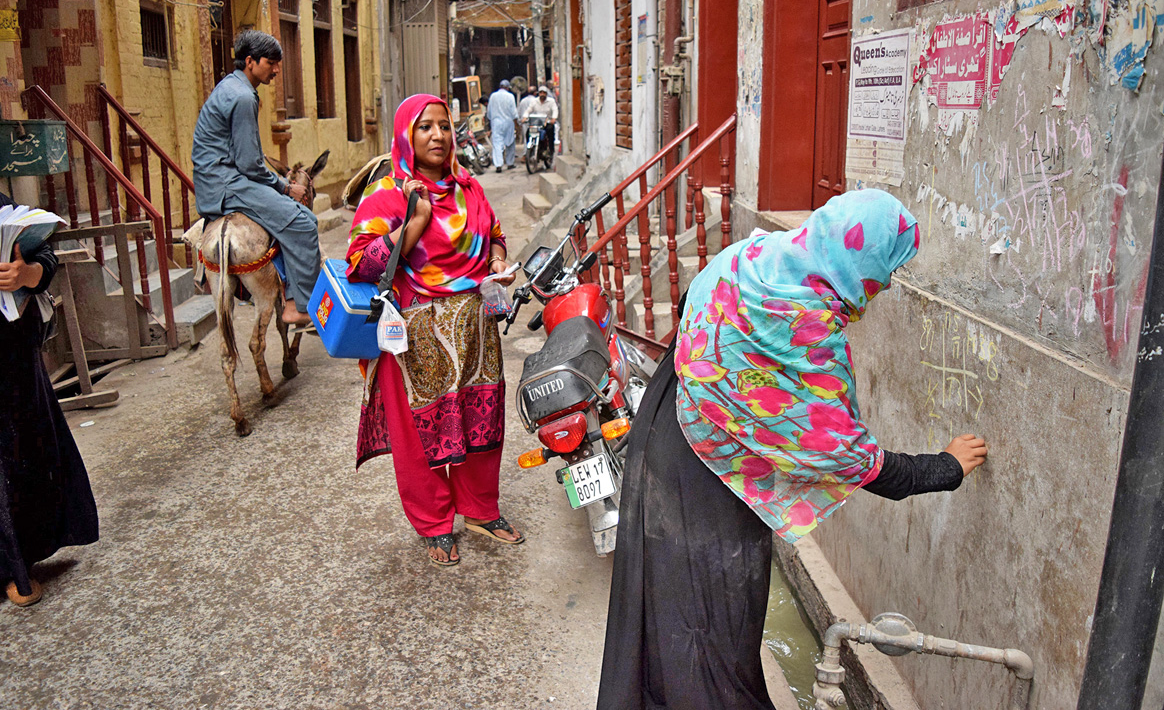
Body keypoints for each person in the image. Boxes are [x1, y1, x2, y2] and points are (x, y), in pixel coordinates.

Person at [596, 189, 989, 709]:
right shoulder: (806, 332)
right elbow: (848, 455)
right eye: (889, 266)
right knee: (709, 639)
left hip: (664, 435)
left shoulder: (745, 259)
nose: (889, 282)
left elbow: (693, 322)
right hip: (709, 486)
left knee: (660, 613)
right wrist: (943, 468)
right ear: (859, 258)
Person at [346, 93, 523, 567]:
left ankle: (481, 510)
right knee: (417, 431)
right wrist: (417, 221)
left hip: (475, 330)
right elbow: (361, 263)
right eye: (425, 127)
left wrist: (499, 260)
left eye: (444, 126)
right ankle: (434, 522)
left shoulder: (469, 188)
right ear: (407, 134)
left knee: (482, 418)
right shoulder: (388, 192)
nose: (438, 136)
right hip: (414, 333)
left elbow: (496, 233)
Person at [0, 192, 99, 607]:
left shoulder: (1, 207)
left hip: (9, 353)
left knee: (18, 448)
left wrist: (26, 274)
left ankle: (17, 564)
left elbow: (45, 256)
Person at [191, 29, 319, 327]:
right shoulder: (243, 97)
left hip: (215, 182)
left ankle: (288, 294)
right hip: (228, 185)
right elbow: (250, 164)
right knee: (304, 223)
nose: (276, 70)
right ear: (250, 61)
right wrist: (285, 187)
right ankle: (299, 307)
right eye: (271, 63)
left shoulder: (230, 87)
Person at [486, 79, 518, 172]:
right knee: (510, 142)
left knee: (497, 144)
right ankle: (510, 163)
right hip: (508, 122)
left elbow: (489, 112)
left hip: (496, 123)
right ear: (507, 88)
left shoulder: (493, 96)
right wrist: (516, 124)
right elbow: (514, 112)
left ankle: (498, 165)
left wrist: (491, 121)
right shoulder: (510, 96)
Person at [521, 86, 559, 157]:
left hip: (547, 122)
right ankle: (532, 148)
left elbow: (555, 110)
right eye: (541, 93)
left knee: (550, 131)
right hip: (537, 122)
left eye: (544, 93)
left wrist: (553, 118)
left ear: (546, 94)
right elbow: (529, 110)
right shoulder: (534, 101)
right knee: (528, 132)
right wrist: (525, 117)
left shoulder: (551, 101)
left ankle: (550, 151)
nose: (542, 94)